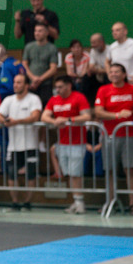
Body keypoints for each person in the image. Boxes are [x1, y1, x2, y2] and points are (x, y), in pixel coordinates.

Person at [92, 63, 133, 214]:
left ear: (124, 74)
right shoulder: (103, 90)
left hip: (129, 135)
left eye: (117, 72)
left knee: (130, 170)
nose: (113, 74)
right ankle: (110, 202)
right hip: (109, 135)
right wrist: (117, 115)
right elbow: (98, 112)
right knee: (110, 170)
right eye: (111, 72)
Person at [41, 75, 92, 214]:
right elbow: (44, 116)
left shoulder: (79, 97)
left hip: (77, 142)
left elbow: (87, 116)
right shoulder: (54, 99)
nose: (57, 90)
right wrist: (55, 121)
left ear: (69, 86)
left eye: (60, 87)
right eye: (56, 87)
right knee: (69, 174)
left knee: (76, 174)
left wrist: (69, 119)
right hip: (62, 142)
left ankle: (80, 203)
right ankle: (76, 201)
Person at [0, 73, 42, 210]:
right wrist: (5, 121)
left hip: (30, 145)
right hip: (13, 147)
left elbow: (35, 117)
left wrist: (16, 122)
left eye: (19, 82)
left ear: (26, 85)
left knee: (31, 175)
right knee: (11, 175)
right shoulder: (9, 100)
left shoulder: (33, 99)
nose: (15, 85)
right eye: (15, 82)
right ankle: (15, 202)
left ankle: (27, 203)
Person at [23, 23, 59, 104]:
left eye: (40, 31)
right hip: (31, 83)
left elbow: (53, 69)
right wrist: (33, 78)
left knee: (46, 105)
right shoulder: (28, 47)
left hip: (46, 84)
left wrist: (39, 80)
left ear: (46, 33)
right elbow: (24, 64)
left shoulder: (52, 48)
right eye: (35, 31)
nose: (36, 33)